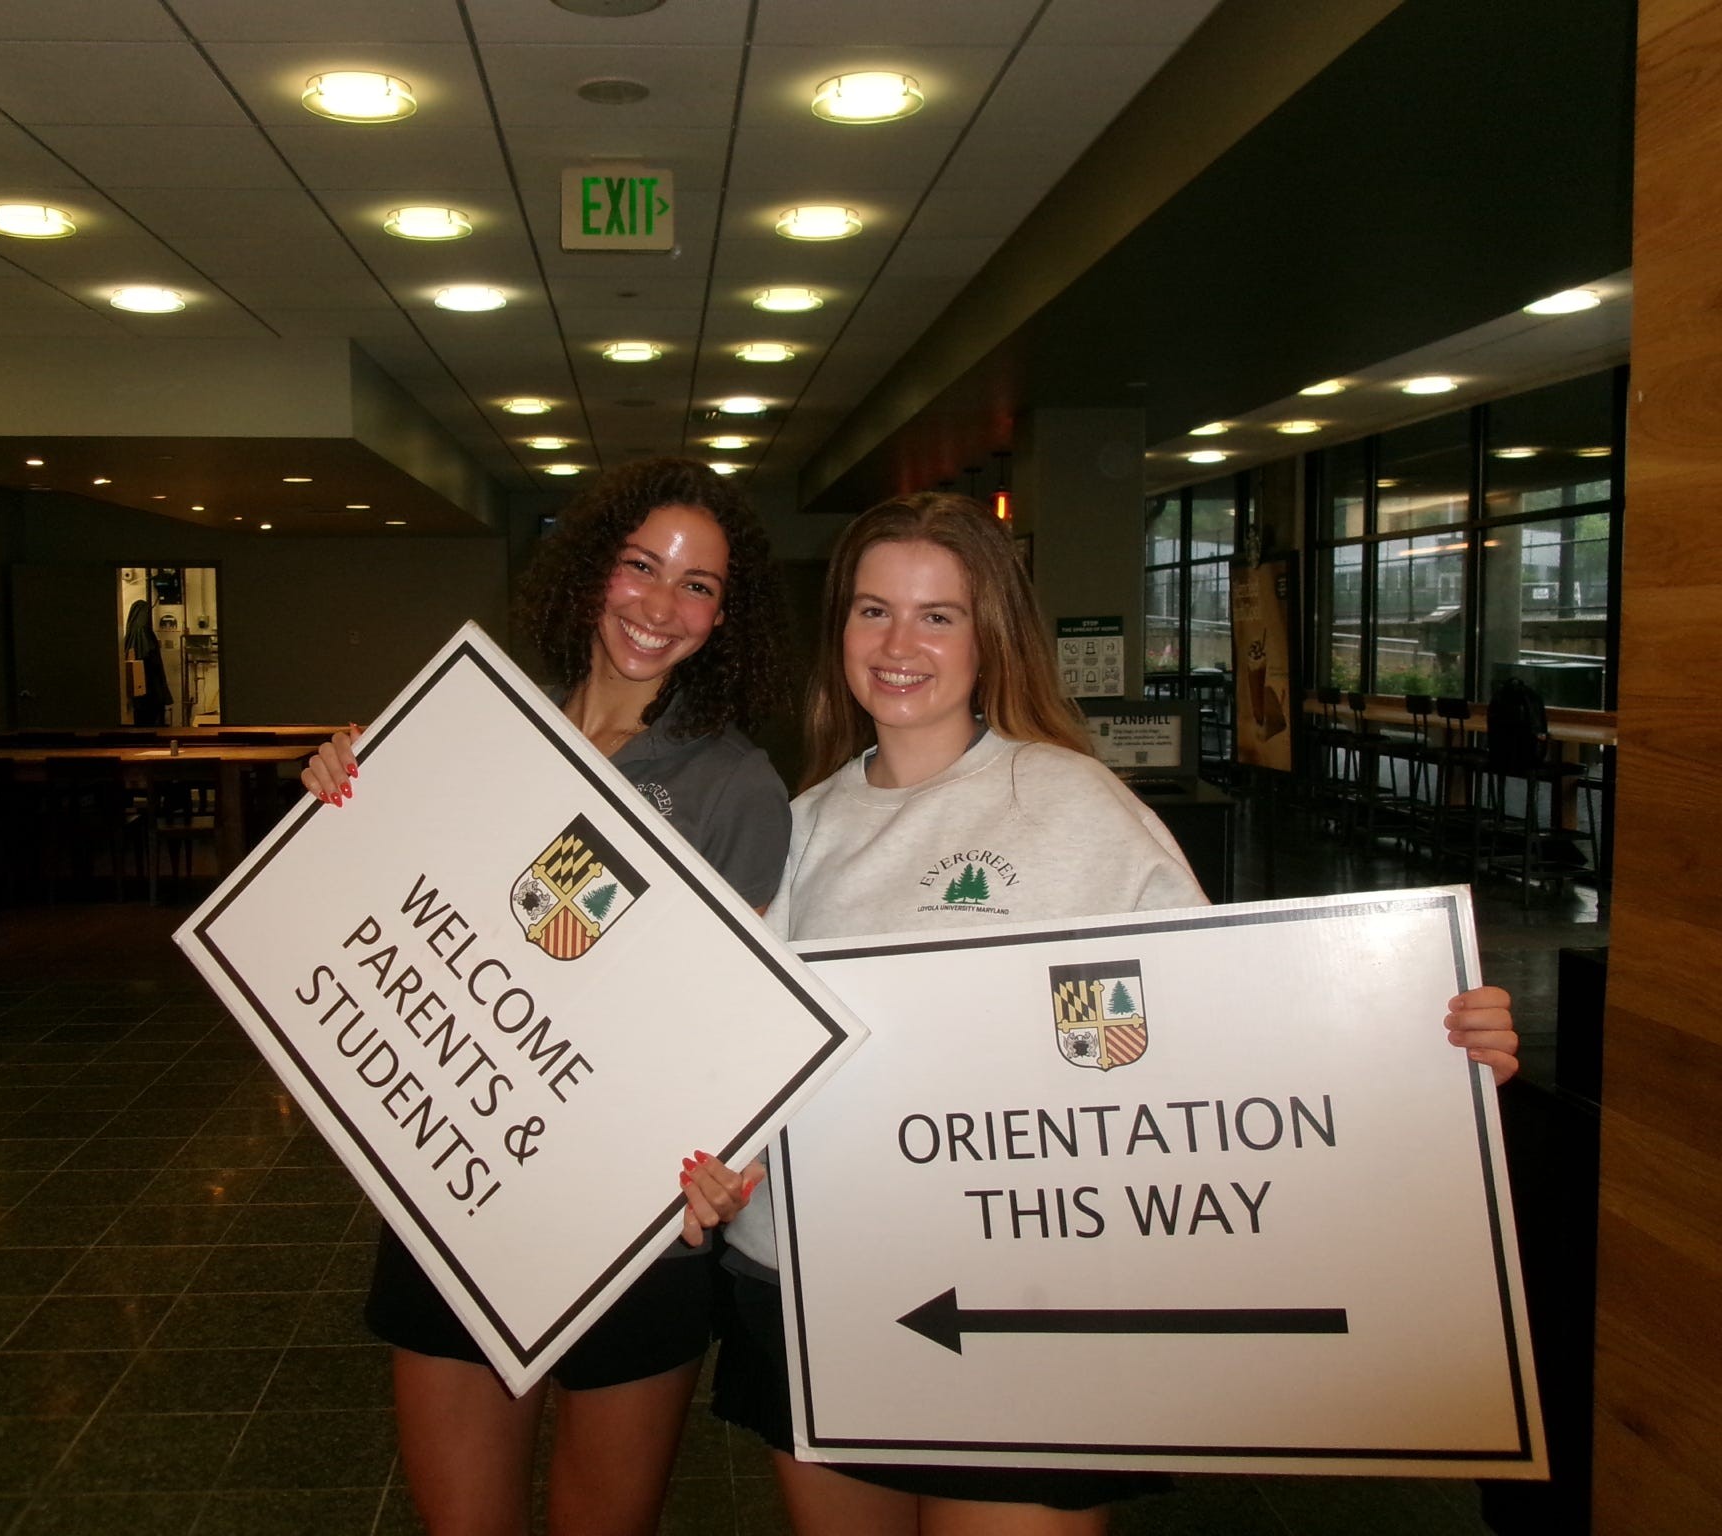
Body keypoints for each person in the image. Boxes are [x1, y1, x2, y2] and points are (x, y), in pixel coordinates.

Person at [714, 492, 1522, 1536]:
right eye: (872, 611)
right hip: (815, 1285)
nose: (898, 643)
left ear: (988, 634)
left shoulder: (1069, 805)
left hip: (1022, 1292)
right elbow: (748, 1057)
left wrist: (1418, 1046)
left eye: (936, 614)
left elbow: (1220, 1023)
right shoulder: (801, 826)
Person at [299, 457, 789, 1536]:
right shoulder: (476, 738)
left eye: (698, 585)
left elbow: (738, 1030)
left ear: (726, 614)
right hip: (456, 1196)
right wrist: (341, 794)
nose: (660, 606)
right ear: (588, 573)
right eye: (639, 567)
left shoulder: (730, 784)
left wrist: (728, 1153)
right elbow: (390, 921)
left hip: (632, 1227)